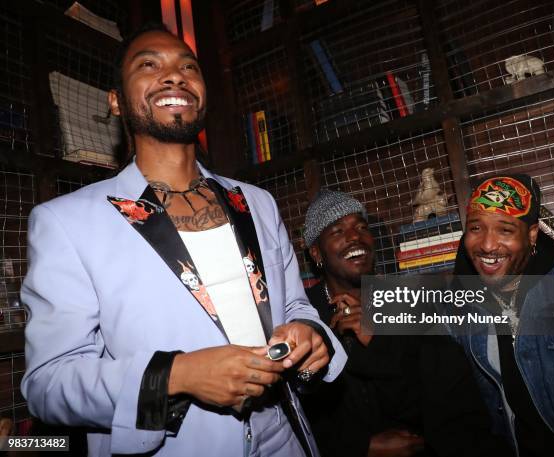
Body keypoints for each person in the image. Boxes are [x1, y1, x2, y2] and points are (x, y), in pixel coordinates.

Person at [20, 24, 347, 457]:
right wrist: (177, 375)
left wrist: (309, 333)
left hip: (286, 434)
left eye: (188, 66)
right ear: (116, 101)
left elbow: (295, 307)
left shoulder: (257, 202)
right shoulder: (66, 221)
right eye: (149, 65)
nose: (174, 75)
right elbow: (49, 383)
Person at [299, 189, 512, 457]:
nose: (355, 237)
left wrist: (378, 342)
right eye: (337, 231)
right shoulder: (303, 315)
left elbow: (449, 403)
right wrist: (359, 448)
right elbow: (299, 414)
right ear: (317, 253)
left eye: (361, 227)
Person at [452, 174, 554, 457]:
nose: (487, 245)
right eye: (476, 228)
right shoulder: (462, 304)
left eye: (505, 230)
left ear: (532, 234)